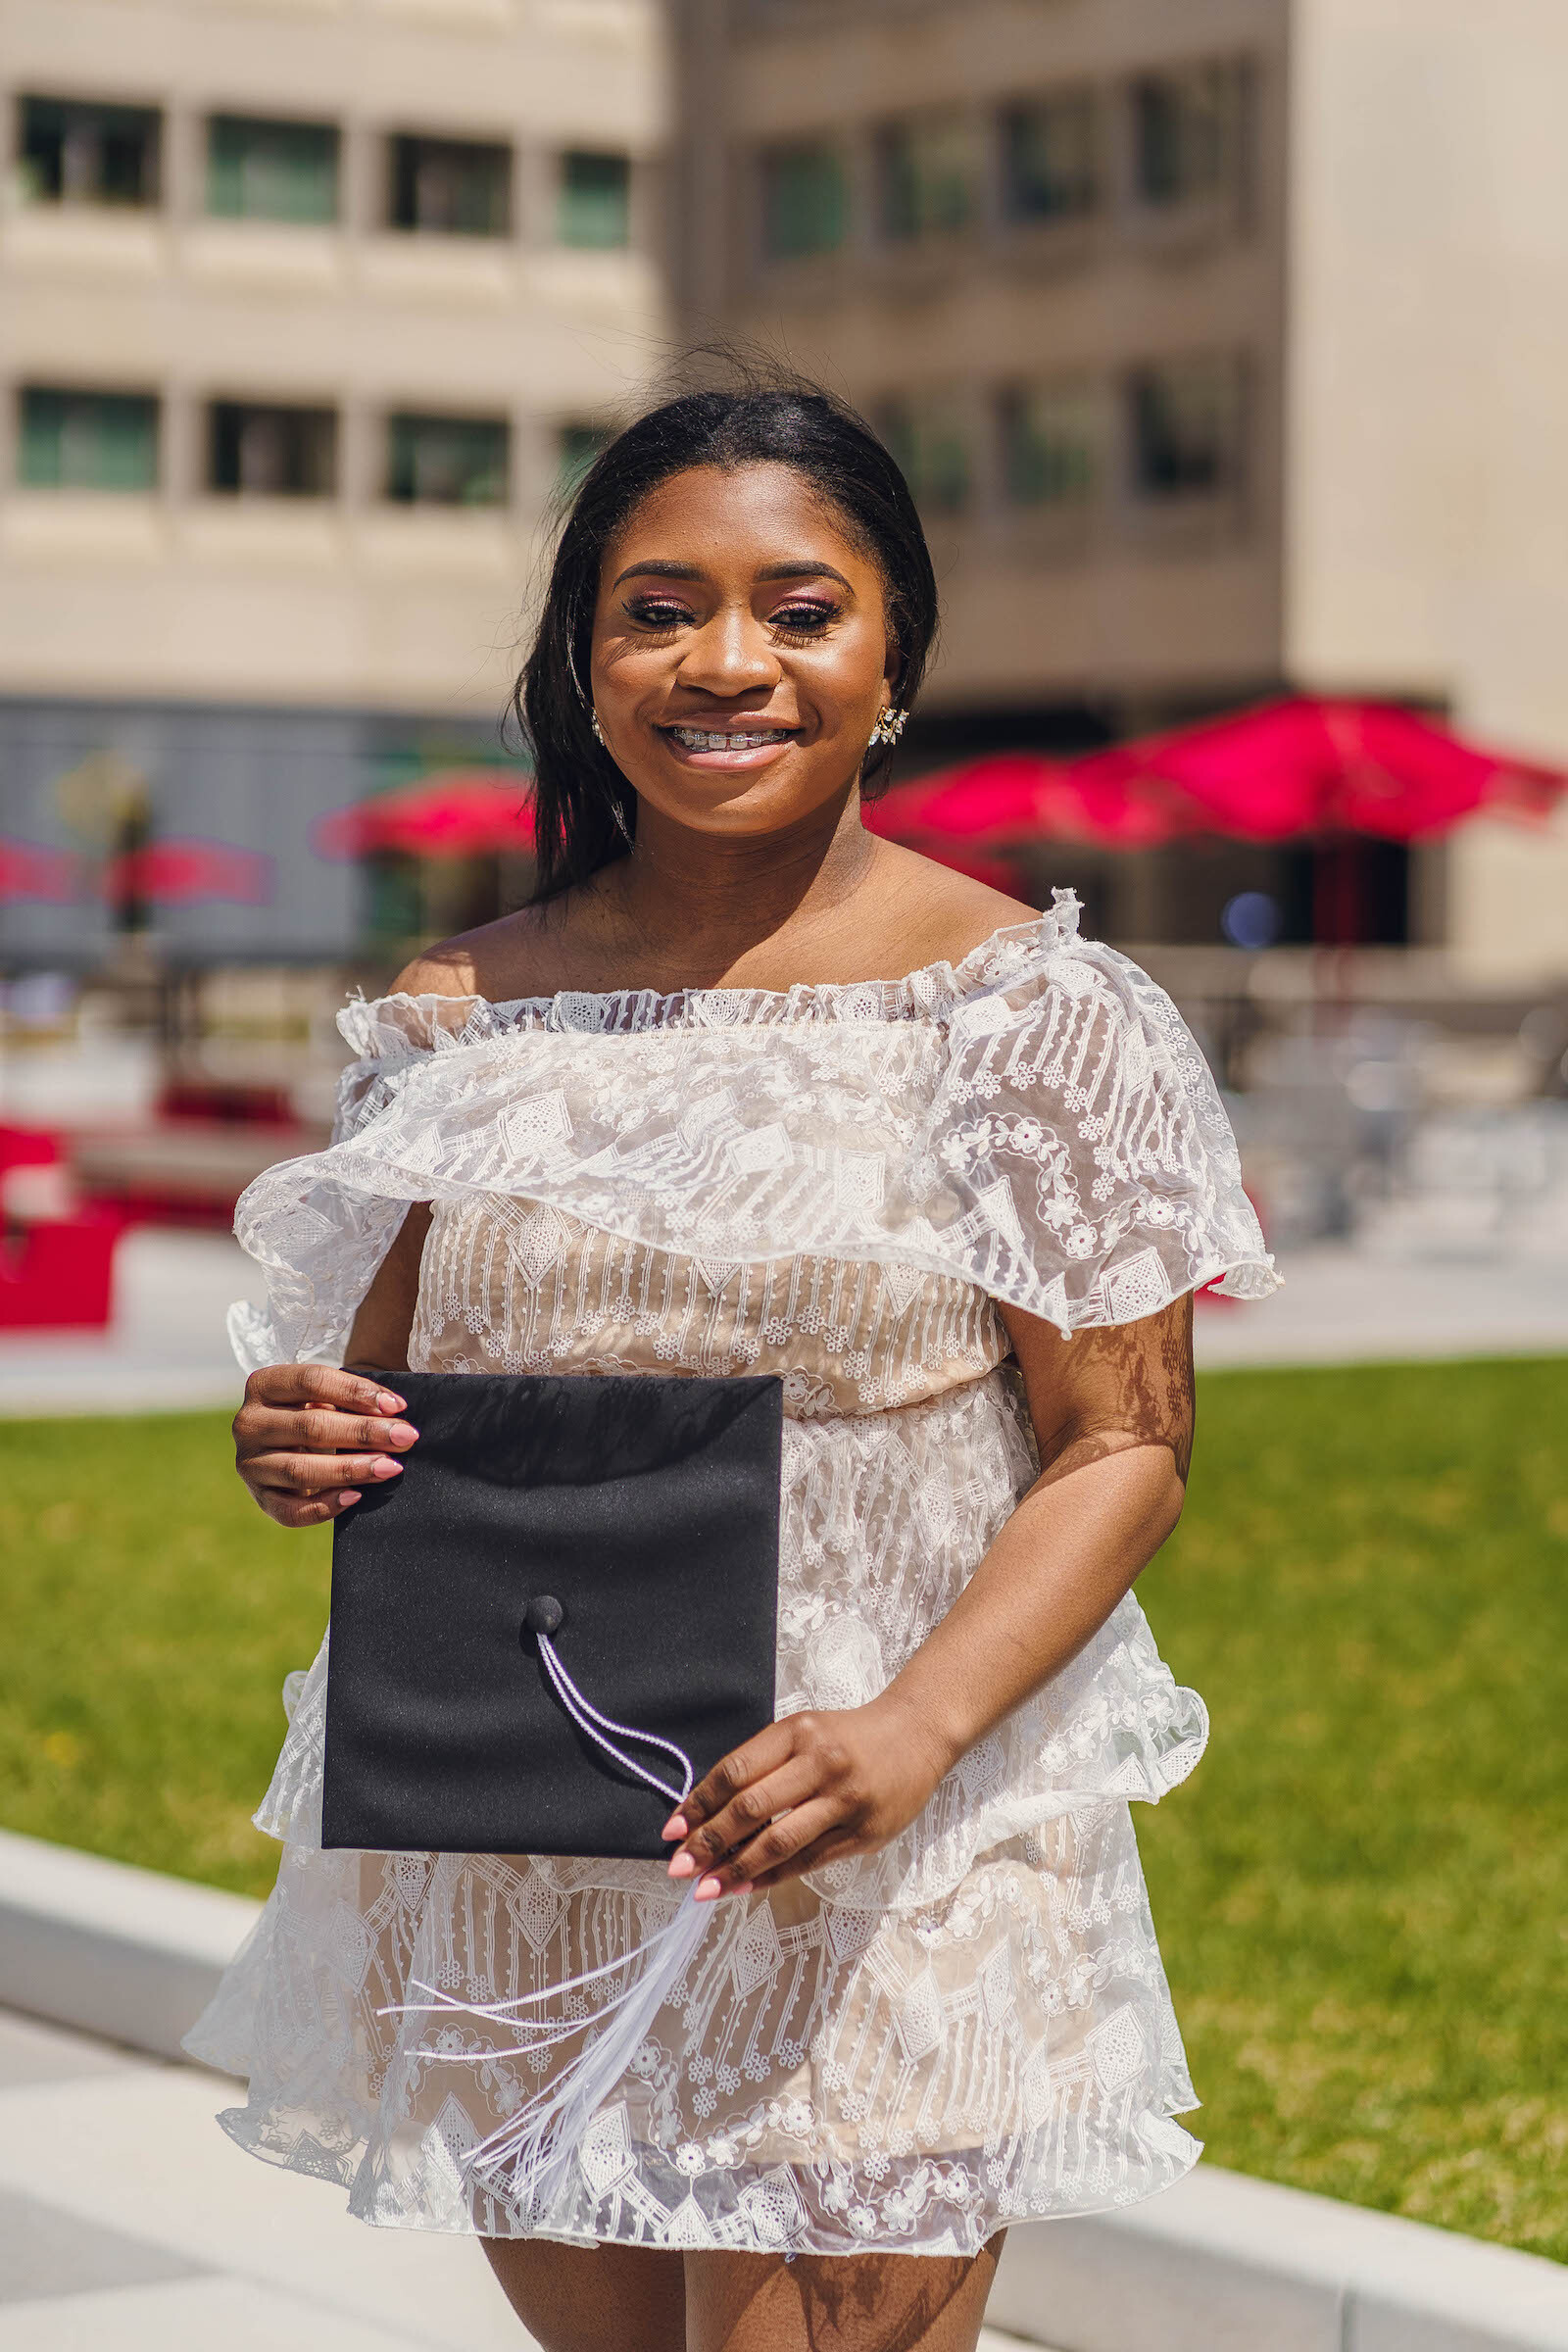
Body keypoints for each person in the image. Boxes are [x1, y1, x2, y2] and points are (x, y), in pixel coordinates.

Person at [195, 379, 1277, 2352]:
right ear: (583, 658)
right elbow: (385, 1401)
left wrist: (910, 1735)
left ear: (890, 664)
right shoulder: (460, 1014)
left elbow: (1120, 1442)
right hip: (537, 1836)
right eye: (658, 605)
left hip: (879, 1850)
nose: (724, 662)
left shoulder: (1028, 1012)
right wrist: (299, 1434)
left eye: (797, 608)